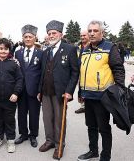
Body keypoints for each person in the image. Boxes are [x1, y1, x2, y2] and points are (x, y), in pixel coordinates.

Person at [77, 20, 125, 161]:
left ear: (102, 32)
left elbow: (118, 69)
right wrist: (80, 92)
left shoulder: (110, 47)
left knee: (103, 128)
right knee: (90, 126)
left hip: (103, 97)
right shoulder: (85, 50)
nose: (91, 33)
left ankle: (105, 156)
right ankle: (93, 151)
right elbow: (83, 72)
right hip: (88, 96)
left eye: (95, 31)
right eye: (90, 31)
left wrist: (120, 90)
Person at [38, 20, 79, 159]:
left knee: (59, 119)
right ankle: (49, 141)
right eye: (49, 33)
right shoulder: (46, 51)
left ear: (61, 34)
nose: (51, 35)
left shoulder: (70, 49)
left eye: (53, 33)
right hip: (46, 91)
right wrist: (39, 90)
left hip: (60, 92)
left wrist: (69, 91)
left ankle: (59, 145)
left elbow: (75, 72)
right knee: (47, 118)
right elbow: (42, 73)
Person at [14, 24, 43, 148]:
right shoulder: (18, 53)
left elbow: (42, 74)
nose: (28, 39)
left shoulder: (41, 53)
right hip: (21, 89)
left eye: (30, 36)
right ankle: (23, 134)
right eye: (25, 37)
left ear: (35, 38)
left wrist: (40, 90)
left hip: (34, 89)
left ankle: (33, 135)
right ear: (22, 38)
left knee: (34, 113)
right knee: (21, 113)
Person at [75, 30, 90, 114]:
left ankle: (89, 106)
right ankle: (83, 106)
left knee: (88, 89)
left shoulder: (91, 46)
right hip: (79, 72)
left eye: (84, 35)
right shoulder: (78, 46)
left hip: (88, 72)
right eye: (81, 36)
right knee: (80, 89)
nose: (82, 37)